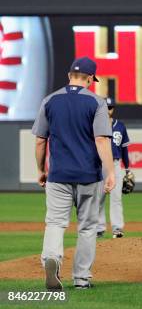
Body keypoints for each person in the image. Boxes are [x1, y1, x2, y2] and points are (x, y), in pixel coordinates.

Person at [31, 56, 115, 290]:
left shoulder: (49, 100)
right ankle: (81, 278)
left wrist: (40, 169)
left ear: (70, 76)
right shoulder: (96, 102)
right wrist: (110, 172)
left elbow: (40, 141)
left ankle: (51, 258)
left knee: (55, 223)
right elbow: (101, 140)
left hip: (58, 175)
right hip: (88, 176)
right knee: (87, 227)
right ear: (90, 79)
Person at [97, 97, 131, 239]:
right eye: (106, 107)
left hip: (116, 165)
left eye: (110, 108)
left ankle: (117, 228)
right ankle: (99, 228)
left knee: (116, 198)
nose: (109, 110)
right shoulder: (95, 126)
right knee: (98, 198)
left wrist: (128, 168)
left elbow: (124, 150)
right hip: (99, 165)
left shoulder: (120, 126)